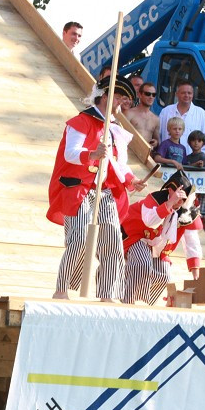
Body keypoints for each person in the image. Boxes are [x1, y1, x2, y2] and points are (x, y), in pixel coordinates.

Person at [47, 75, 145, 302]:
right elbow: (70, 153)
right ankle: (61, 289)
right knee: (79, 238)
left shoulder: (116, 129)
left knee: (112, 239)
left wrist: (131, 180)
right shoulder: (82, 121)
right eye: (117, 97)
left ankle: (108, 294)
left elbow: (119, 164)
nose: (120, 102)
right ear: (103, 96)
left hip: (106, 190)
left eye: (122, 98)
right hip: (80, 188)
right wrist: (91, 154)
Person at [122, 171, 204, 304]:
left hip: (159, 248)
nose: (179, 201)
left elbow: (191, 239)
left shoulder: (188, 212)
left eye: (182, 199)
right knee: (142, 264)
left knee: (164, 275)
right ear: (170, 190)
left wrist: (195, 267)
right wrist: (170, 203)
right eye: (177, 196)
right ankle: (127, 300)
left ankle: (145, 303)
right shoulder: (154, 199)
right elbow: (150, 222)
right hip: (137, 237)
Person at [159, 81, 205, 155]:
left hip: (192, 162)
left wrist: (198, 156)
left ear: (193, 95)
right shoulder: (166, 112)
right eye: (183, 93)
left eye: (189, 93)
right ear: (176, 94)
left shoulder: (202, 114)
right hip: (167, 161)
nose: (186, 95)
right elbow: (158, 134)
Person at [125, 81, 160, 148]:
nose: (151, 97)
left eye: (154, 95)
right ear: (139, 95)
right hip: (129, 154)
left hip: (145, 156)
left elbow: (157, 141)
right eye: (148, 94)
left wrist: (155, 142)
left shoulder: (156, 119)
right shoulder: (129, 113)